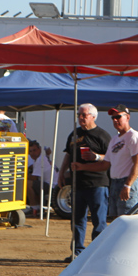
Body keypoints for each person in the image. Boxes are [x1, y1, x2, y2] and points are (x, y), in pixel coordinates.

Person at [58, 103, 111, 261]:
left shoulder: (102, 135)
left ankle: (97, 254)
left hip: (97, 184)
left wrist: (96, 156)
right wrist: (61, 173)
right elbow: (68, 154)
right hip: (77, 184)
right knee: (77, 220)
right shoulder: (74, 134)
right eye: (79, 115)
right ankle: (77, 253)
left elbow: (111, 158)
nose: (80, 118)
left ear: (93, 116)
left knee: (98, 221)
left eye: (84, 115)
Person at [75, 105, 138, 220]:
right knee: (115, 221)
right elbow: (105, 164)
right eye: (113, 118)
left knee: (126, 220)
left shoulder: (134, 136)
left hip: (129, 182)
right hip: (115, 182)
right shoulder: (114, 140)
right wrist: (82, 167)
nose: (115, 120)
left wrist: (128, 185)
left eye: (118, 117)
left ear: (127, 117)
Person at [27, 140, 57, 216]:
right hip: (53, 185)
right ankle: (38, 207)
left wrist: (22, 175)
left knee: (28, 183)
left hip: (52, 187)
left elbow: (34, 178)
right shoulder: (42, 158)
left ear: (39, 149)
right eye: (30, 151)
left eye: (34, 150)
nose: (32, 153)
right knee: (36, 184)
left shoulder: (40, 160)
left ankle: (34, 208)